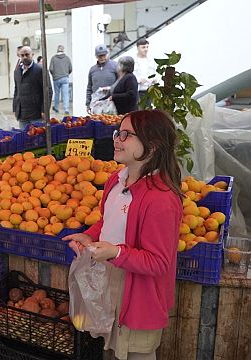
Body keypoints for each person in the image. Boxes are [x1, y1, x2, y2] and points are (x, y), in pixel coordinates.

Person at [63, 110, 183, 360]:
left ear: (153, 145)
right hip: (111, 284)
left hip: (140, 297)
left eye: (127, 135)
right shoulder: (116, 181)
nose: (117, 139)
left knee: (134, 354)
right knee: (110, 351)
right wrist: (90, 236)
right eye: (118, 132)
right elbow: (108, 221)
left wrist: (115, 252)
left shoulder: (161, 199)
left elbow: (159, 262)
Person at [13, 46, 52, 130]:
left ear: (32, 55)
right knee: (24, 139)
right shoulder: (17, 71)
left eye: (27, 54)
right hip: (22, 115)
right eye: (22, 55)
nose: (25, 57)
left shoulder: (41, 70)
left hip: (37, 114)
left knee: (38, 140)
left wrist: (45, 110)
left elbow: (48, 91)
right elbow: (16, 90)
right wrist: (15, 108)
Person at [86, 44, 118, 113]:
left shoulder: (115, 66)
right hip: (96, 103)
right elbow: (89, 87)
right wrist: (88, 104)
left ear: (107, 54)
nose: (102, 57)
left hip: (111, 102)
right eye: (100, 56)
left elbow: (120, 83)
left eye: (104, 55)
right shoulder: (92, 69)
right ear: (96, 56)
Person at [133, 39, 157, 108]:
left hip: (150, 90)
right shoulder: (133, 61)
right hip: (138, 91)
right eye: (143, 47)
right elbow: (130, 76)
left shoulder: (151, 60)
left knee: (149, 111)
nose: (146, 49)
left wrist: (154, 79)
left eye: (147, 47)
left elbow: (156, 74)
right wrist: (139, 80)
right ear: (138, 48)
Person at [49, 45, 72, 115]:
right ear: (63, 50)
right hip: (65, 78)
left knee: (57, 94)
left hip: (56, 78)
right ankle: (66, 109)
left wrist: (54, 75)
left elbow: (51, 69)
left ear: (57, 50)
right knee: (66, 94)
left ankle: (56, 108)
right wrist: (66, 74)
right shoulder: (67, 58)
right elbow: (70, 68)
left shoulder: (53, 58)